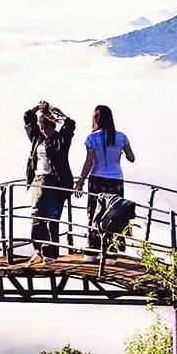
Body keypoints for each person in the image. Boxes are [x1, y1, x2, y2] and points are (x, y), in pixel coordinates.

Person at [74, 105, 135, 262]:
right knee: (115, 213)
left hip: (97, 178)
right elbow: (131, 157)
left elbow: (89, 162)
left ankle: (92, 251)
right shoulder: (121, 137)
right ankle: (111, 252)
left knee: (94, 212)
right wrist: (120, 151)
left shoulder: (92, 138)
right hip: (116, 179)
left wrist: (80, 181)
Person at [23, 100, 76, 265]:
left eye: (47, 128)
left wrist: (56, 113)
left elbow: (70, 124)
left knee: (52, 219)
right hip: (38, 180)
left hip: (55, 182)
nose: (44, 131)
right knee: (36, 217)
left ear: (53, 126)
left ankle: (51, 254)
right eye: (41, 128)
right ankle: (38, 250)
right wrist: (38, 108)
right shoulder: (37, 138)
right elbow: (27, 117)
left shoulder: (61, 140)